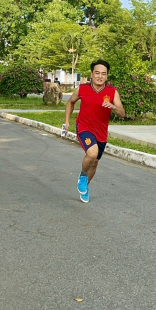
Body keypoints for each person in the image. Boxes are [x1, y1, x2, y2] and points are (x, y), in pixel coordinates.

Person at [64, 59, 125, 203]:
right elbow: (70, 102)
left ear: (107, 76)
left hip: (101, 133)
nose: (100, 76)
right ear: (91, 74)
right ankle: (83, 175)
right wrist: (67, 121)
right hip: (84, 127)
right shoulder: (82, 89)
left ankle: (86, 185)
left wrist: (113, 106)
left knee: (95, 161)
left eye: (103, 74)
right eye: (97, 73)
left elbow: (122, 114)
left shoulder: (112, 92)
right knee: (92, 153)